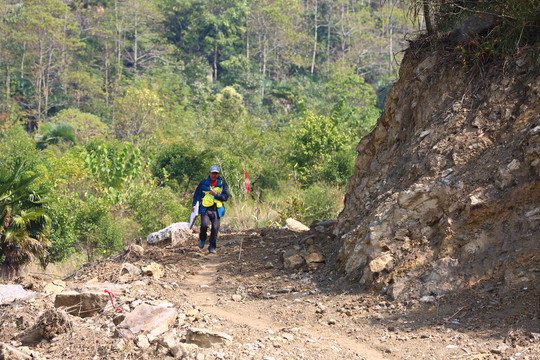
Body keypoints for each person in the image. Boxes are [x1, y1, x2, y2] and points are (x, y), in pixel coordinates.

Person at [192, 165, 229, 254]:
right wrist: (194, 205)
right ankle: (203, 239)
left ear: (218, 174)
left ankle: (212, 247)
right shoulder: (203, 183)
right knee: (204, 225)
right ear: (209, 173)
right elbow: (197, 195)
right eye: (212, 173)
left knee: (215, 228)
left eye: (216, 173)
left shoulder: (222, 184)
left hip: (217, 210)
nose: (214, 175)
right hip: (205, 209)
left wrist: (217, 194)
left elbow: (225, 197)